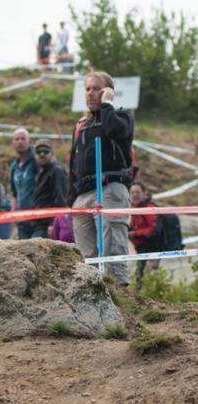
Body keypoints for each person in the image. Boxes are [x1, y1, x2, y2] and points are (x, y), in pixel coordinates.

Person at [68, 70, 134, 285]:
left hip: (110, 189)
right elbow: (72, 163)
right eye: (88, 89)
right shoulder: (81, 126)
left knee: (113, 248)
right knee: (86, 256)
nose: (91, 93)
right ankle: (94, 298)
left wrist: (107, 105)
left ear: (108, 92)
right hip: (83, 194)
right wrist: (72, 199)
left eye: (97, 89)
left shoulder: (122, 117)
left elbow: (114, 129)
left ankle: (121, 298)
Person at [30, 140, 68, 239]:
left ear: (52, 154)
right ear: (34, 155)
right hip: (38, 223)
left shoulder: (57, 171)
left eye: (46, 151)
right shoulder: (41, 173)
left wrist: (53, 224)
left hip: (47, 226)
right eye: (38, 151)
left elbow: (61, 200)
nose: (42, 154)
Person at [129, 181, 165, 283]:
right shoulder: (132, 209)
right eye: (132, 192)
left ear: (144, 193)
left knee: (149, 276)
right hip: (141, 247)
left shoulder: (149, 208)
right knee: (140, 274)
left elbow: (153, 229)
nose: (135, 195)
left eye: (138, 192)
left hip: (153, 247)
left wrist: (135, 234)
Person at [9, 128, 38, 240]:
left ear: (29, 142)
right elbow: (14, 193)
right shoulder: (14, 166)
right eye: (17, 139)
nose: (20, 141)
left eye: (23, 139)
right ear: (13, 143)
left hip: (38, 217)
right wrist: (13, 215)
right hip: (22, 219)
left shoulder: (37, 161)